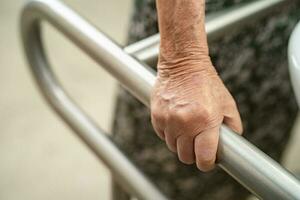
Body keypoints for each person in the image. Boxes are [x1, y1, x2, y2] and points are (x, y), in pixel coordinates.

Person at [112, 0, 300, 199]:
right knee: (154, 177)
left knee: (247, 173)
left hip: (282, 27)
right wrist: (182, 62)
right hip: (196, 25)